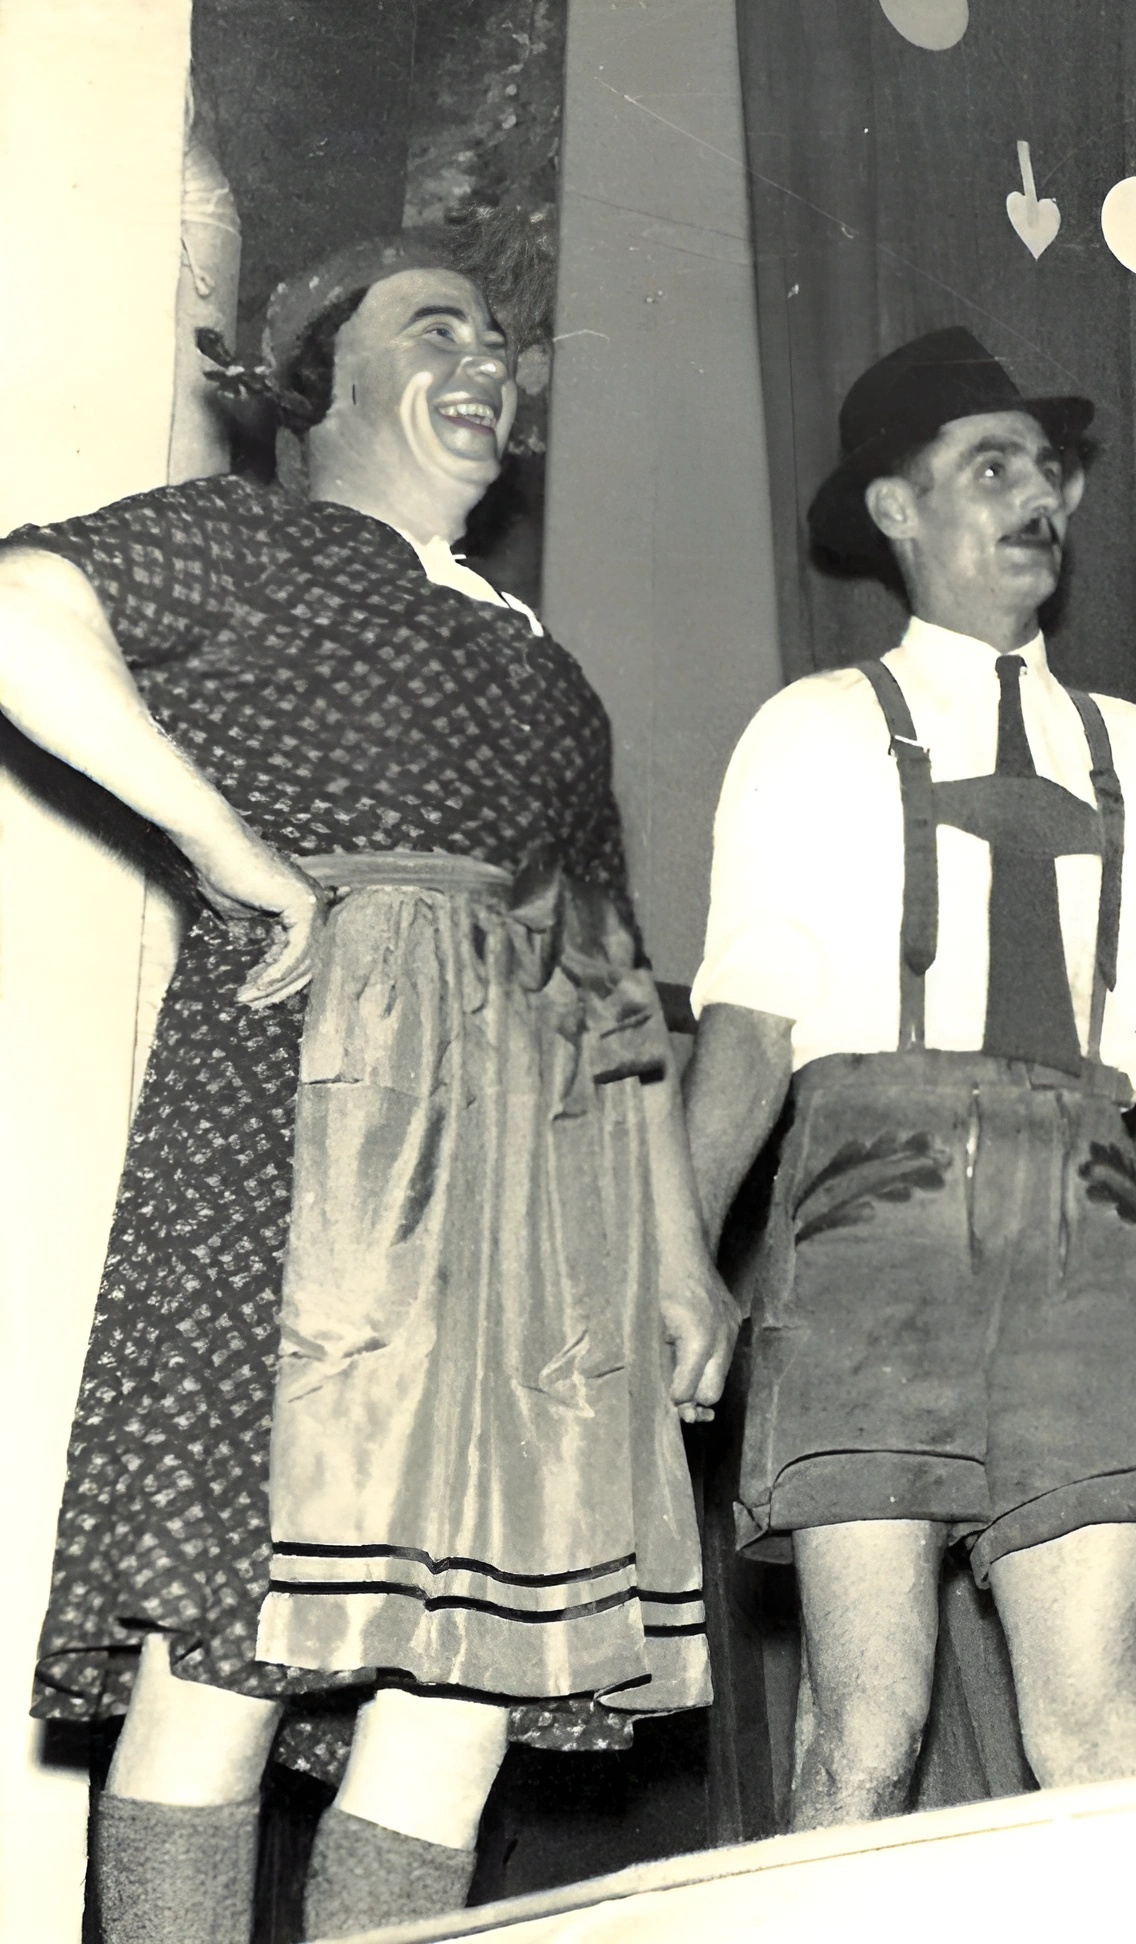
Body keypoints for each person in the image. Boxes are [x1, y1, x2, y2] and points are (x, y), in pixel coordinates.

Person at [1, 232, 726, 1944]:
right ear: (310, 377)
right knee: (232, 1643)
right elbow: (20, 608)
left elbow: (614, 974)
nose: (489, 356)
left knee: (463, 1693)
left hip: (531, 1194)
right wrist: (232, 851)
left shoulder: (549, 671)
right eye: (434, 326)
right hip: (308, 1135)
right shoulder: (256, 544)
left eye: (501, 334)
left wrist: (682, 1251)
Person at [682, 327, 1136, 1831]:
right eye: (987, 466)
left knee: (1102, 1741)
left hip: (1087, 1240)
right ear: (893, 510)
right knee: (866, 1732)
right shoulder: (806, 734)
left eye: (1045, 468)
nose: (1034, 496)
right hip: (869, 1224)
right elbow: (743, 1022)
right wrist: (673, 1257)